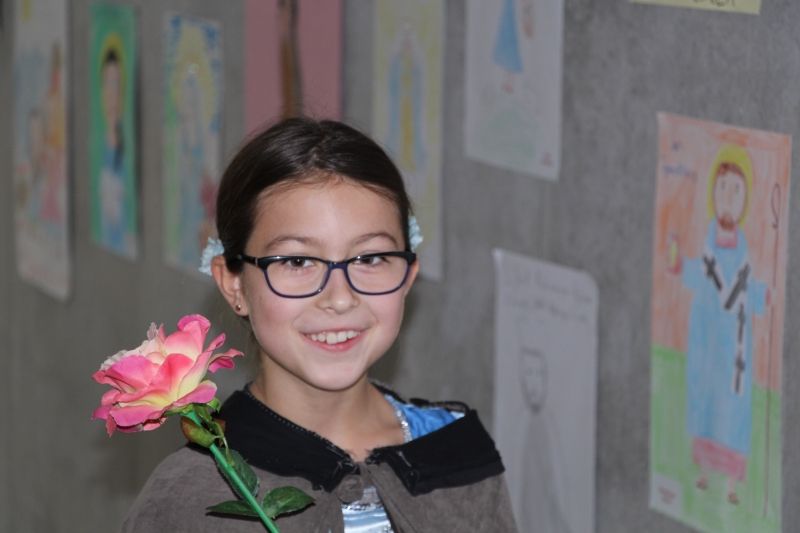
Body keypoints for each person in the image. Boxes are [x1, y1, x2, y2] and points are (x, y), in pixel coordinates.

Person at [122, 118, 517, 532]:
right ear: (233, 283)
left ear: (408, 276)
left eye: (370, 258)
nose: (340, 298)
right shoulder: (189, 499)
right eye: (297, 261)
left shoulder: (454, 453)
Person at [670, 144, 767, 505]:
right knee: (705, 399)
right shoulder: (708, 247)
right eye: (722, 189)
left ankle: (731, 484)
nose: (728, 199)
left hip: (734, 344)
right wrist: (679, 265)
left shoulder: (743, 255)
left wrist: (764, 296)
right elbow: (696, 272)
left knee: (733, 408)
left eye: (735, 191)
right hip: (707, 340)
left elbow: (750, 288)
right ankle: (704, 470)